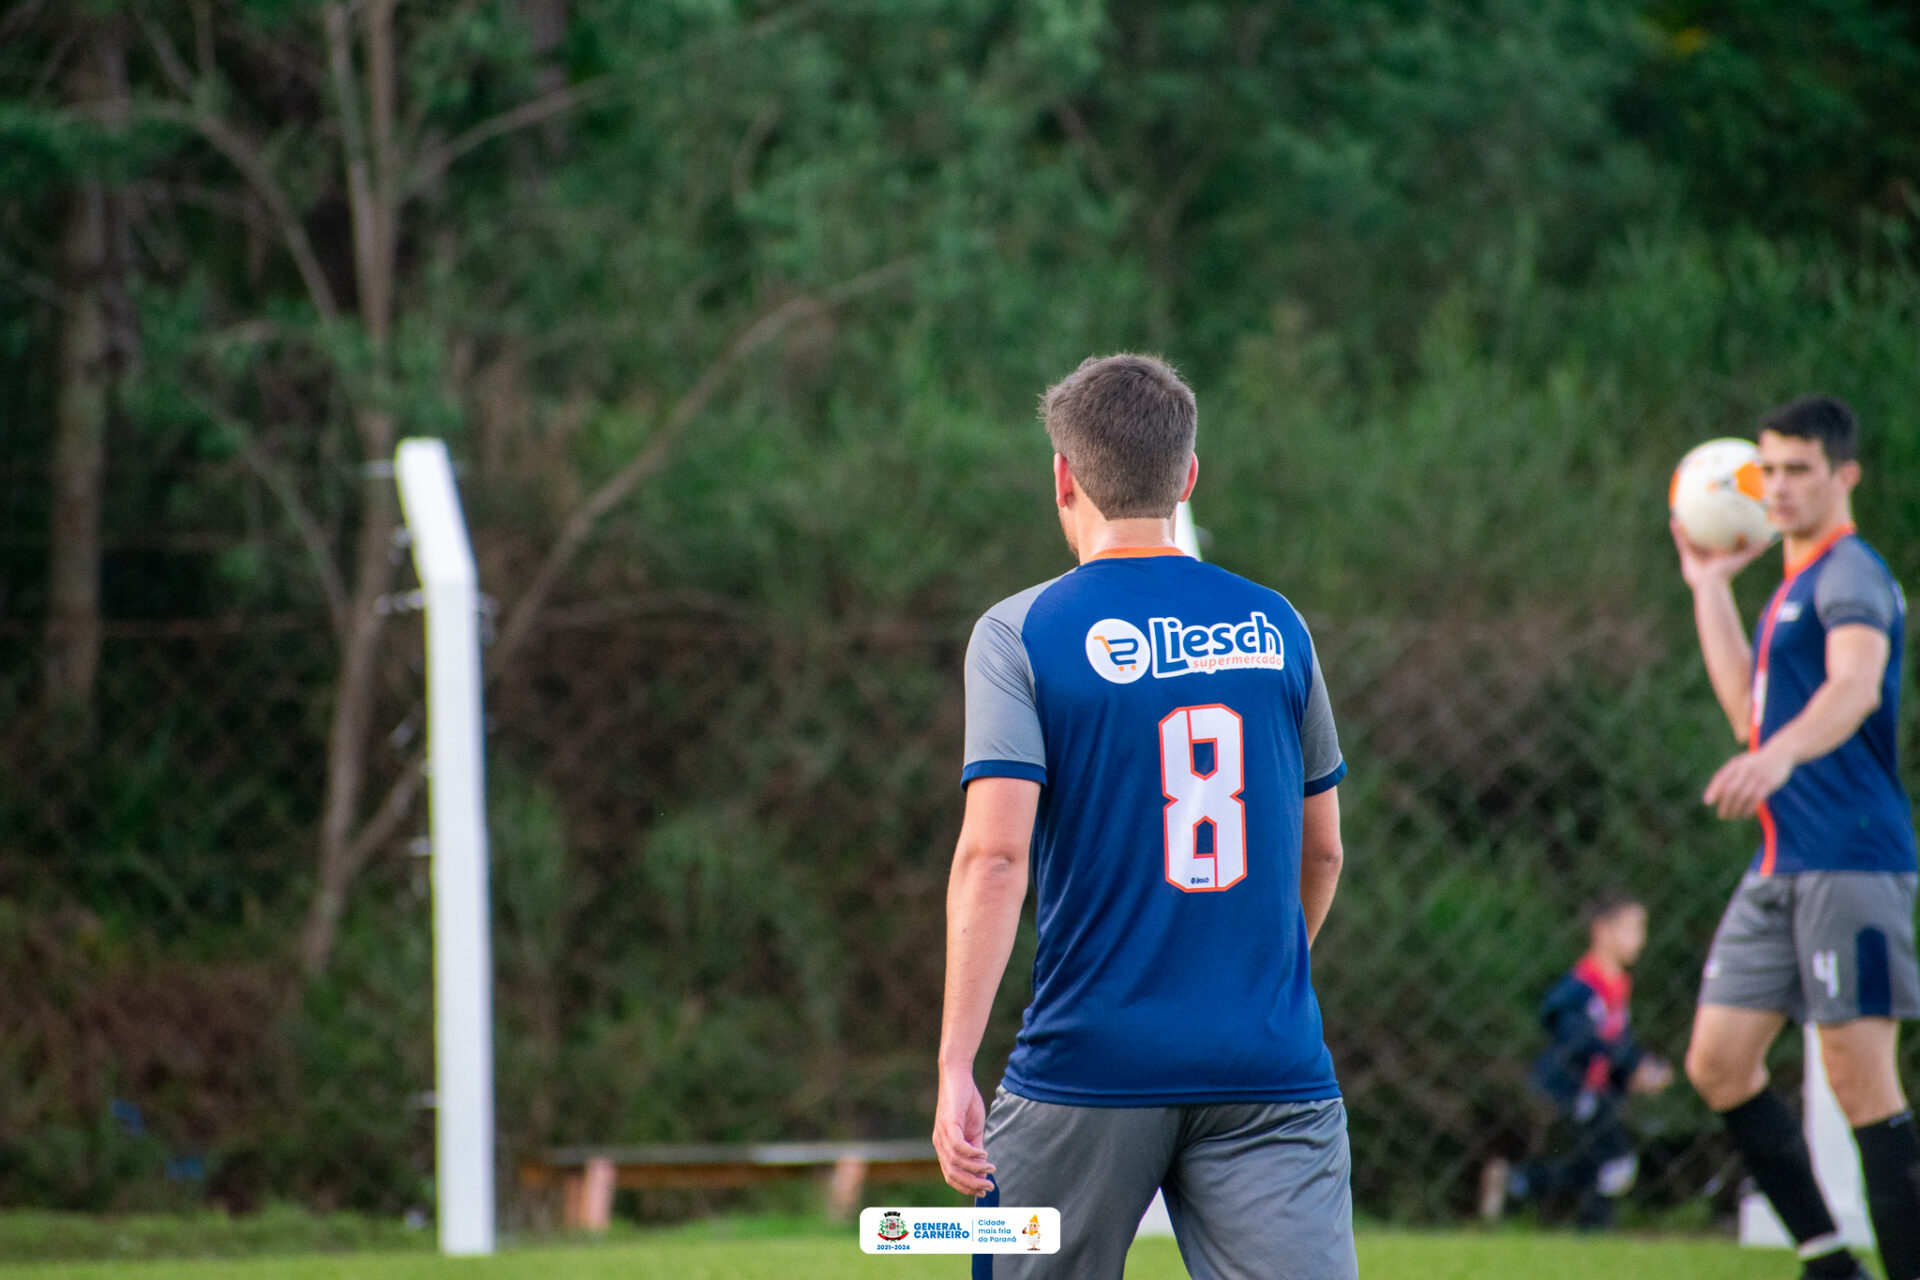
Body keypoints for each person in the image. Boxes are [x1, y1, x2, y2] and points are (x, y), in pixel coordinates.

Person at [932, 353, 1354, 1279]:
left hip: (1088, 1066)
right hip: (1268, 1065)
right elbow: (1320, 854)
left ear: (1063, 477)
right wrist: (1249, 983)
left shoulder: (1018, 633)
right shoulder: (1275, 624)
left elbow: (994, 861)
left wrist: (956, 1062)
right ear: (1189, 476)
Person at [1673, 395, 1920, 1280]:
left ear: (1843, 475)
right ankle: (1830, 1262)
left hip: (1851, 860)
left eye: (1797, 471)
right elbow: (1752, 708)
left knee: (1862, 1086)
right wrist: (1709, 590)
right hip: (1782, 863)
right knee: (1718, 1062)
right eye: (1766, 470)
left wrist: (1777, 760)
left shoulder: (1850, 576)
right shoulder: (1789, 589)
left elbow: (1854, 688)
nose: (1775, 488)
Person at [1479, 893, 1673, 1229]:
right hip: (1575, 1089)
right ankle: (1592, 1232)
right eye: (1632, 929)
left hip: (1598, 1092)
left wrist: (1636, 1070)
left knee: (1598, 1164)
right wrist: (1632, 1064)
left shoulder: (1617, 985)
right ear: (1602, 931)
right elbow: (1576, 1036)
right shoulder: (1584, 986)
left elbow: (1614, 1044)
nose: (1640, 939)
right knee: (1616, 1163)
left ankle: (1517, 1182)